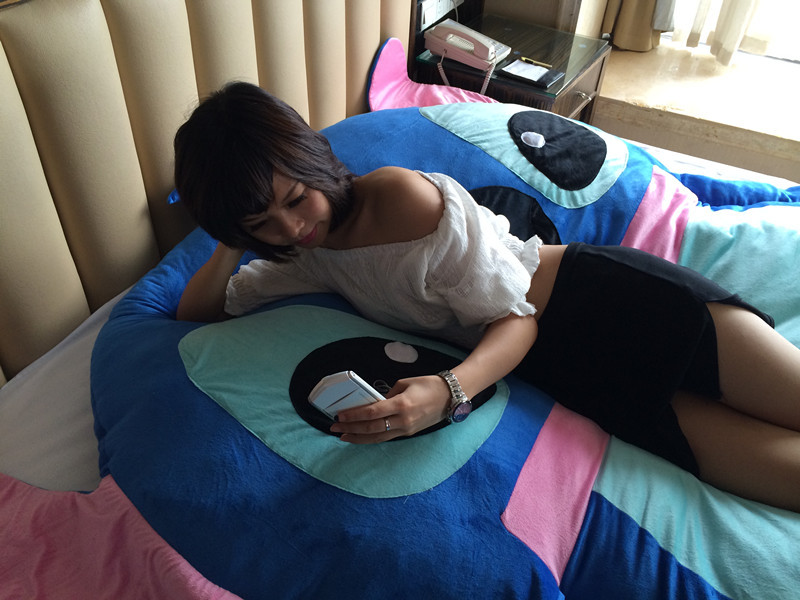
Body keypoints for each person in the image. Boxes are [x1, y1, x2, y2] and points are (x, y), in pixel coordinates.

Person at [175, 81, 800, 512]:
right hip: (576, 376)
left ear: (314, 161)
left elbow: (517, 319)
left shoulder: (400, 199)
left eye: (295, 199)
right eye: (261, 224)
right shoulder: (307, 255)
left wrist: (447, 391)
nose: (289, 228)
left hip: (612, 303)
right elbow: (198, 311)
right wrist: (230, 236)